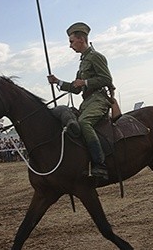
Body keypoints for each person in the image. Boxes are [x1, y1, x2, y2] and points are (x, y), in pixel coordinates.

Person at [48, 22, 113, 180]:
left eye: (71, 41)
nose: (70, 46)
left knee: (84, 123)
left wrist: (85, 83)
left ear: (81, 39)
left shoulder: (96, 57)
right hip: (87, 101)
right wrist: (58, 82)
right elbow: (76, 88)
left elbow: (106, 79)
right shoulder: (83, 62)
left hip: (99, 99)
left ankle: (100, 164)